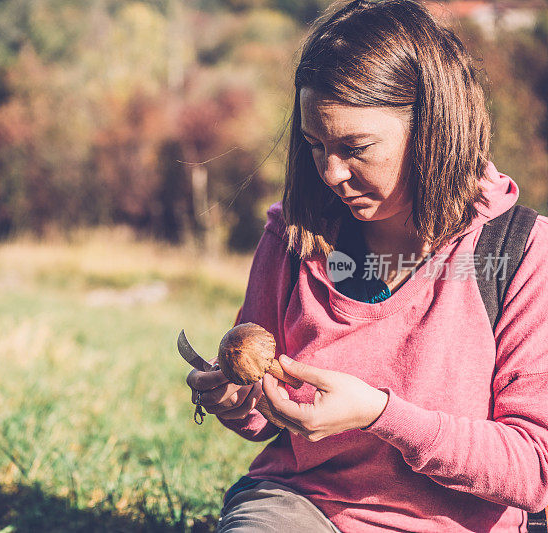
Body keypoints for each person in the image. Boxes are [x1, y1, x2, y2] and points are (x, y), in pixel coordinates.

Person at [185, 0, 548, 531]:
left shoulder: (518, 251)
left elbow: (534, 467)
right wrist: (243, 402)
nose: (330, 172)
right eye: (315, 145)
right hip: (303, 507)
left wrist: (382, 415)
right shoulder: (293, 235)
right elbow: (265, 416)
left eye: (355, 147)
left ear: (433, 127)